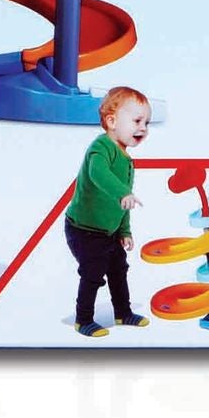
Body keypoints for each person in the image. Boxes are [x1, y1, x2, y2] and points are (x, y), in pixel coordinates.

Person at [66, 86, 151, 337]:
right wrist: (122, 193)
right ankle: (83, 320)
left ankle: (123, 312)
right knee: (92, 273)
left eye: (146, 123)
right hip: (84, 230)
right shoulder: (100, 147)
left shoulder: (127, 161)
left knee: (118, 270)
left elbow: (124, 203)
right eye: (137, 121)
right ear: (112, 122)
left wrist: (124, 231)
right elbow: (98, 173)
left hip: (109, 231)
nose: (143, 128)